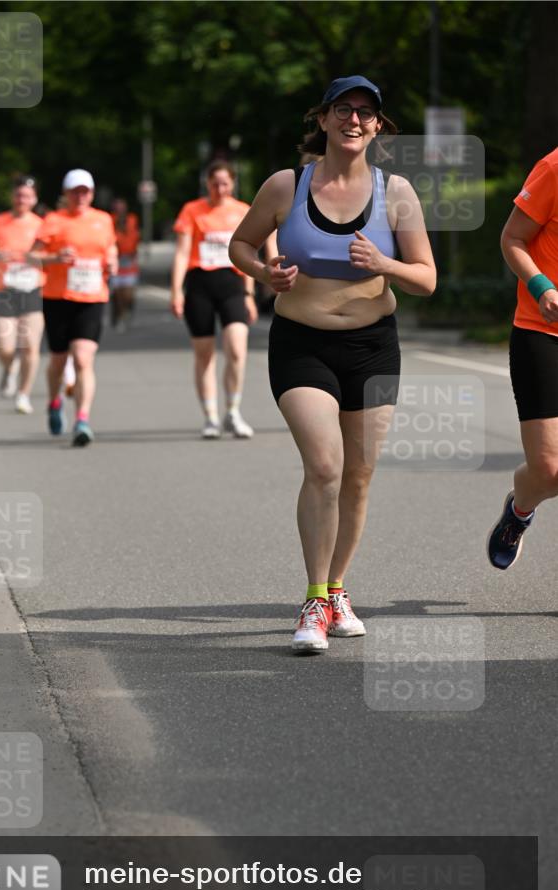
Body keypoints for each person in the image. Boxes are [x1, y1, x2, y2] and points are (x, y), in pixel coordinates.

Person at [229, 75, 436, 653]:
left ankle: (339, 586)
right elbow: (240, 246)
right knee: (325, 467)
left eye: (365, 113)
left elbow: (426, 277)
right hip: (302, 342)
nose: (354, 120)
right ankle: (315, 599)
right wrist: (265, 273)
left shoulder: (395, 193)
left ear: (377, 127)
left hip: (373, 347)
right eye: (343, 110)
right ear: (322, 120)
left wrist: (384, 264)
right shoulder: (285, 185)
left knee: (360, 475)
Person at [487, 147, 558, 569]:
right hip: (542, 331)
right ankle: (519, 510)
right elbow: (512, 238)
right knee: (549, 470)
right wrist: (541, 286)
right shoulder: (553, 167)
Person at [171, 160, 264, 439]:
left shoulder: (242, 211)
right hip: (200, 284)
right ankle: (210, 416)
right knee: (205, 354)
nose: (219, 189)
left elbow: (249, 255)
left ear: (232, 183)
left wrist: (249, 294)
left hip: (233, 284)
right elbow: (181, 253)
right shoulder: (192, 210)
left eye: (225, 183)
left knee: (237, 350)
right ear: (207, 184)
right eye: (214, 183)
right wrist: (177, 290)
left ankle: (233, 411)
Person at [29, 169, 117, 446]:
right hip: (58, 298)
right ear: (66, 194)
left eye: (85, 191)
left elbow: (110, 248)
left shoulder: (103, 220)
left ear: (91, 193)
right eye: (75, 191)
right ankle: (54, 401)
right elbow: (32, 255)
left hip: (92, 298)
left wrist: (112, 262)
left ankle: (82, 419)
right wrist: (55, 257)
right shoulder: (53, 221)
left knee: (82, 359)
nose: (81, 196)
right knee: (58, 359)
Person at [0, 176, 45, 413]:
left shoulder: (42, 224)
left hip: (32, 290)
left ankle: (23, 394)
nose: (22, 200)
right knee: (5, 348)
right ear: (12, 197)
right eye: (18, 195)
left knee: (30, 346)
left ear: (34, 199)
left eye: (27, 196)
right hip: (3, 290)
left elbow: (51, 257)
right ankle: (10, 367)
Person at [110, 197, 140, 331]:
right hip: (116, 260)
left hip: (129, 261)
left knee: (128, 294)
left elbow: (137, 238)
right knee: (117, 294)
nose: (120, 211)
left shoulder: (132, 220)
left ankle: (127, 311)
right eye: (117, 208)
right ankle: (118, 315)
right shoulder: (110, 221)